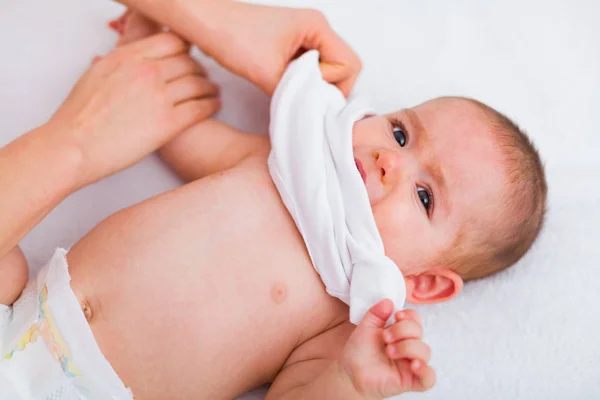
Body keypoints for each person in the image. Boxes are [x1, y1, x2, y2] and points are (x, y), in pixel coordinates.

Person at [0, 4, 548, 400]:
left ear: (426, 282)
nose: (389, 160)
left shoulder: (347, 309)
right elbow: (175, 131)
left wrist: (348, 383)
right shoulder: (287, 162)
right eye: (403, 134)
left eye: (425, 195)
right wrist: (147, 47)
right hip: (22, 312)